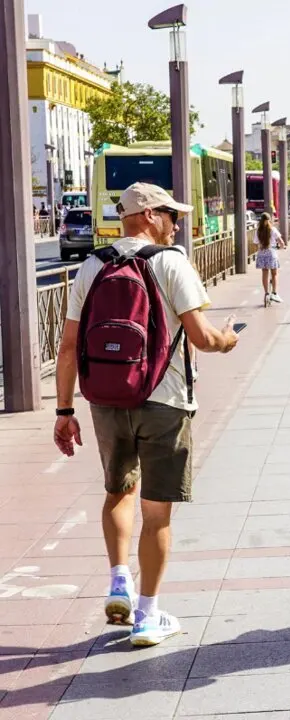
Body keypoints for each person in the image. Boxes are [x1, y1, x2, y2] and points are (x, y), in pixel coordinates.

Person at [52, 182, 239, 647]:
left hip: (108, 401)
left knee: (118, 492)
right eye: (172, 214)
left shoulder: (93, 265)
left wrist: (64, 410)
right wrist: (229, 338)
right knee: (158, 515)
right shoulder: (171, 261)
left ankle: (119, 580)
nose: (177, 222)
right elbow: (201, 337)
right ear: (152, 215)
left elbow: (69, 347)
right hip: (165, 401)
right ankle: (147, 616)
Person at [254, 212, 286, 305]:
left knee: (265, 273)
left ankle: (266, 293)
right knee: (274, 273)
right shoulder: (273, 229)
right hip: (271, 253)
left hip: (262, 253)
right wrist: (282, 247)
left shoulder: (258, 230)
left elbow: (256, 243)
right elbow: (281, 242)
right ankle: (274, 293)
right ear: (269, 220)